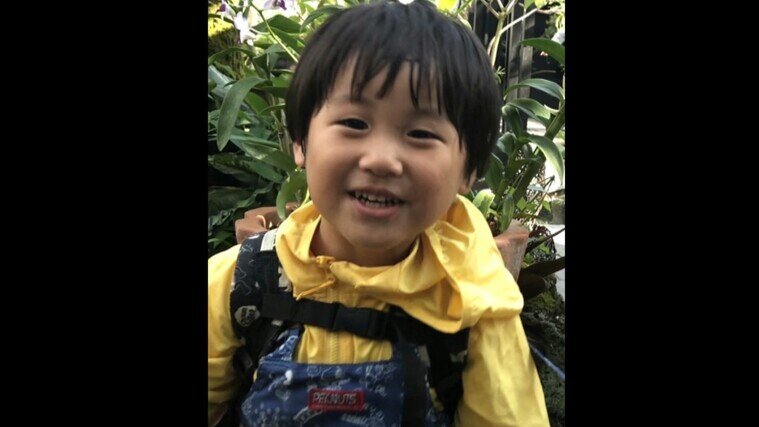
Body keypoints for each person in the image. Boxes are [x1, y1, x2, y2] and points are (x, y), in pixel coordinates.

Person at [208, 1, 549, 425]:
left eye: (420, 133)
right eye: (354, 123)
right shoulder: (239, 283)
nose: (382, 160)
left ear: (468, 171)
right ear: (300, 141)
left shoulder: (473, 305)